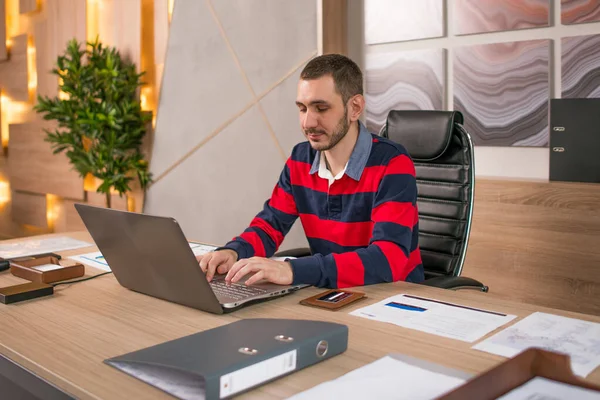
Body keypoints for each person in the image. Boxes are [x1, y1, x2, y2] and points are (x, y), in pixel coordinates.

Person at [197, 54, 424, 288]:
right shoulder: (300, 160)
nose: (308, 123)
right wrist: (234, 252)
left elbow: (387, 260)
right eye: (303, 108)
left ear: (355, 108)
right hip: (333, 295)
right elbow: (270, 227)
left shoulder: (392, 162)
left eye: (321, 108)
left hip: (392, 299)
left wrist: (293, 270)